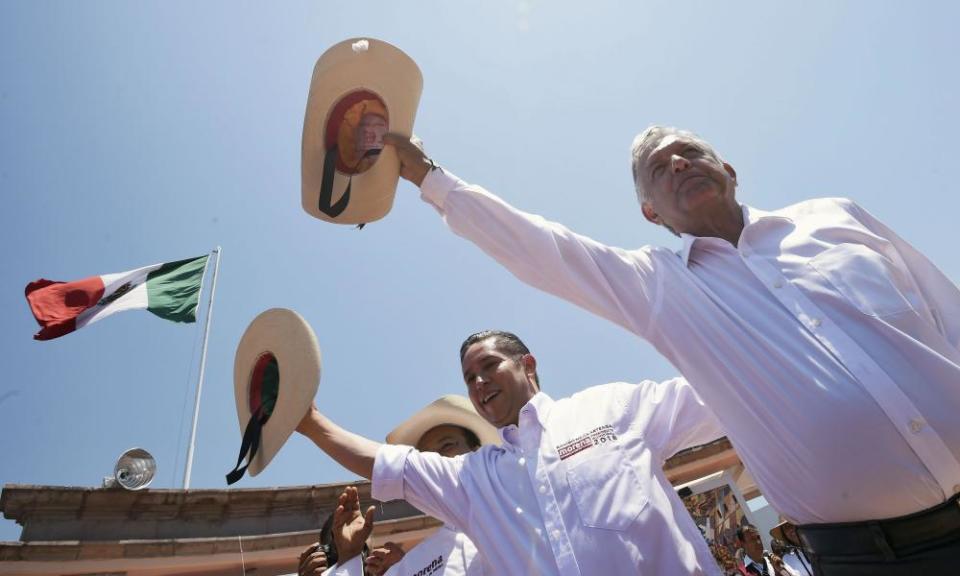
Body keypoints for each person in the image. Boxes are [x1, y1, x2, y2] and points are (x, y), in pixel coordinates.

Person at [381, 128, 960, 575]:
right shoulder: (661, 288)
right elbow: (543, 249)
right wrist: (428, 177)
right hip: (870, 558)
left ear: (727, 169)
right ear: (650, 213)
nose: (678, 162)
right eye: (657, 169)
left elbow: (947, 313)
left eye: (688, 151)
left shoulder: (837, 217)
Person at [296, 330, 725, 575]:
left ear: (529, 365)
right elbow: (388, 464)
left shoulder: (611, 408)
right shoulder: (474, 479)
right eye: (469, 378)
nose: (479, 382)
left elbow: (725, 397)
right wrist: (312, 424)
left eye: (489, 366)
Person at [300, 396, 492, 575]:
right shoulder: (418, 561)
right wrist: (349, 556)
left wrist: (313, 424)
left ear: (476, 451)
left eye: (447, 445)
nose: (437, 460)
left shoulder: (514, 498)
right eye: (427, 457)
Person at [735, 525, 799, 576]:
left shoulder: (774, 559)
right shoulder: (741, 572)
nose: (758, 542)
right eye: (752, 539)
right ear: (742, 544)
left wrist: (781, 570)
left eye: (758, 537)